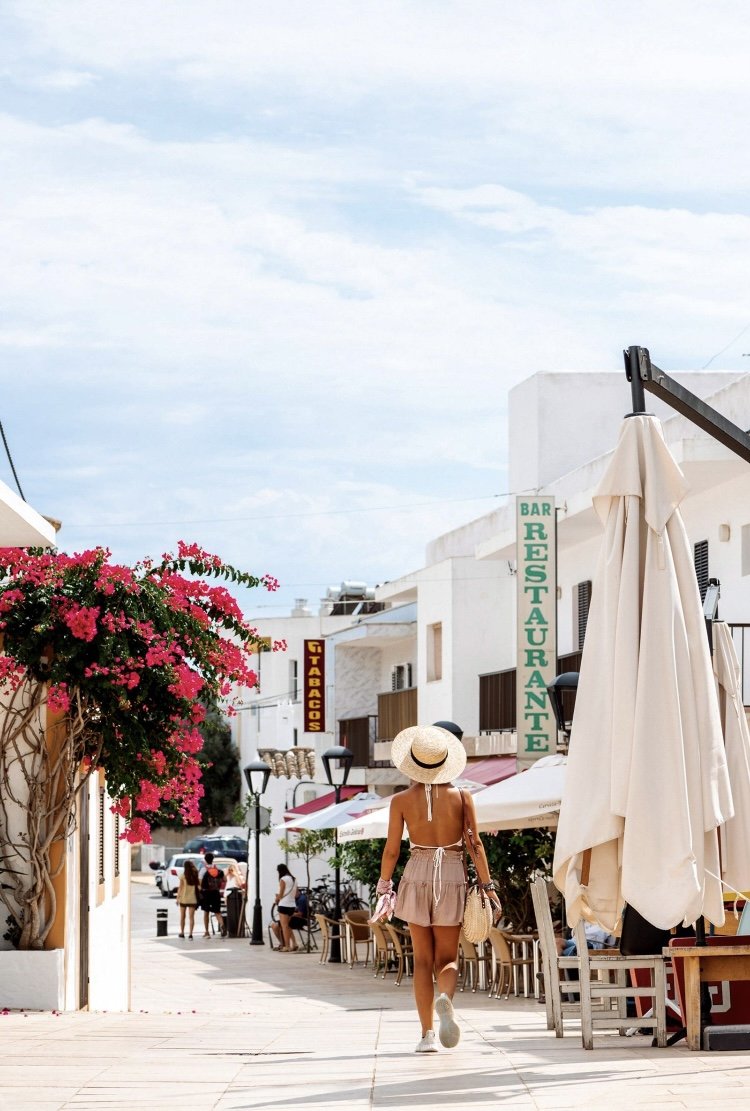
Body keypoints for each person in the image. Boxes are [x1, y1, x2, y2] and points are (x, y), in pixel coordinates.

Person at [377, 724, 502, 1054]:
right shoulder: (462, 797)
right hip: (452, 872)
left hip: (416, 871)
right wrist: (487, 885)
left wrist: (384, 885)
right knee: (447, 958)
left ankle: (427, 1035)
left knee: (421, 960)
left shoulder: (401, 801)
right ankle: (444, 998)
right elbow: (475, 844)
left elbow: (392, 849)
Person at [272, 863, 300, 952]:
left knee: (284, 926)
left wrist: (277, 899)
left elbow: (280, 894)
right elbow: (296, 894)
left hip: (284, 905)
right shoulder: (294, 879)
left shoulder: (283, 879)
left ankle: (287, 946)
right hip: (292, 905)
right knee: (288, 926)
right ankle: (294, 944)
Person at [199, 852, 226, 937]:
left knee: (206, 912)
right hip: (216, 893)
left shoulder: (203, 870)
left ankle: (207, 932)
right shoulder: (217, 869)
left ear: (205, 860)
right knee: (217, 911)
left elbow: (200, 883)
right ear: (213, 859)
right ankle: (222, 925)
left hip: (206, 893)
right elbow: (224, 879)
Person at [177, 859, 200, 938]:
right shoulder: (195, 875)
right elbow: (199, 886)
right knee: (191, 917)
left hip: (183, 898)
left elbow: (180, 888)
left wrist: (177, 898)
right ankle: (190, 934)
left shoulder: (183, 876)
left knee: (182, 917)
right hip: (193, 899)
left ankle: (182, 932)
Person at [224, 861, 246, 938]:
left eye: (231, 870)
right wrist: (227, 873)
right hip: (229, 895)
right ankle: (231, 930)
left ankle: (237, 930)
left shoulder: (237, 876)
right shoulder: (227, 877)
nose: (230, 871)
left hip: (235, 895)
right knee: (230, 913)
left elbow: (240, 884)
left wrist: (236, 875)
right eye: (229, 869)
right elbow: (224, 879)